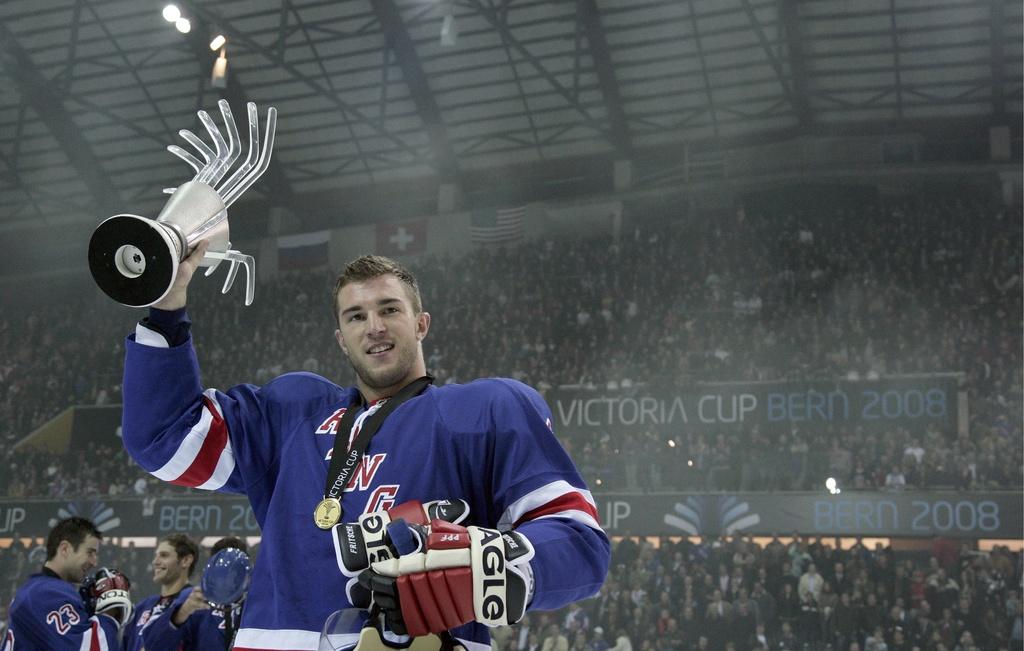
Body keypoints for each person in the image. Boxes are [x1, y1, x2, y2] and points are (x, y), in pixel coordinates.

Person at [120, 249, 609, 650]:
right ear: (341, 338)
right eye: (356, 316)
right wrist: (167, 304)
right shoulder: (291, 414)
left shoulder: (484, 409)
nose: (373, 326)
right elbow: (163, 437)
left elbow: (580, 543)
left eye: (389, 309)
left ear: (421, 324)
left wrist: (490, 568)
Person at [4, 517, 130, 650]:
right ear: (65, 549)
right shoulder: (48, 593)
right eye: (90, 553)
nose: (94, 562)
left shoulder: (35, 589)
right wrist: (110, 615)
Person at [141, 536, 250, 650]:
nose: (228, 576)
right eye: (223, 569)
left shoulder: (257, 603)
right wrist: (181, 614)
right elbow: (153, 646)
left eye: (233, 570)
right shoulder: (192, 599)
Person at [122, 533, 198, 651]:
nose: (155, 562)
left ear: (186, 561)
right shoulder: (142, 607)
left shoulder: (195, 604)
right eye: (156, 555)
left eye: (164, 555)